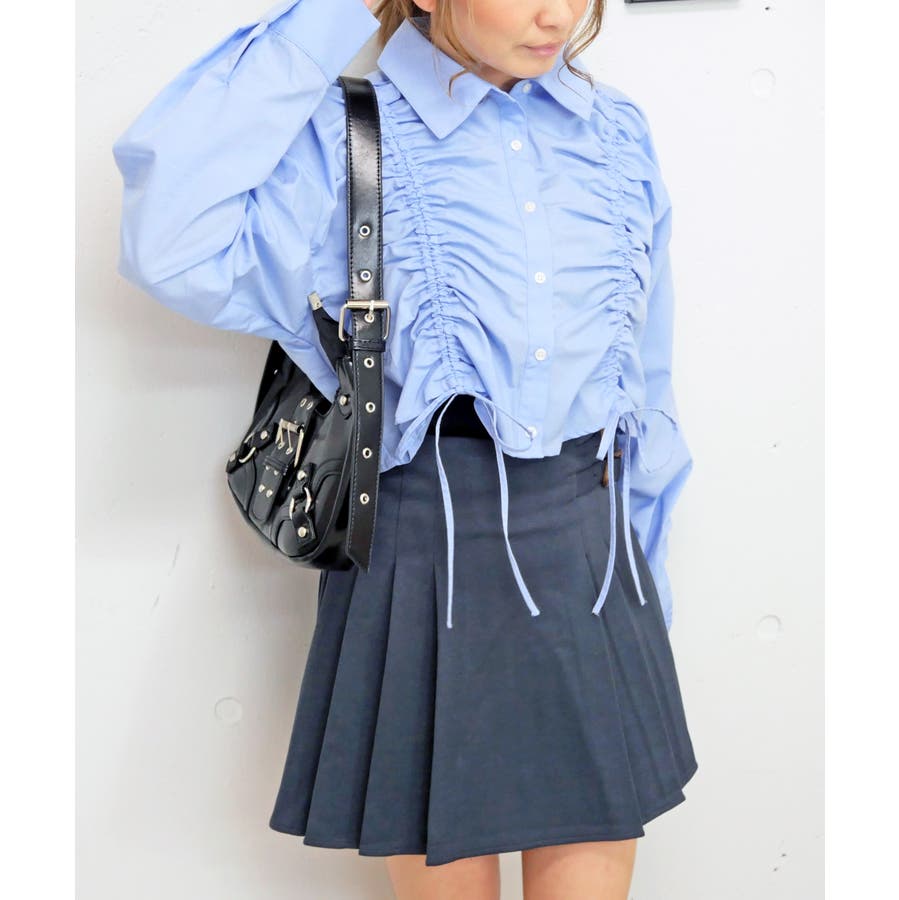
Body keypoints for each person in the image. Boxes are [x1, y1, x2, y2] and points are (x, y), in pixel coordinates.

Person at [112, 1, 699, 897]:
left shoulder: (614, 131)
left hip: (592, 548)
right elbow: (168, 242)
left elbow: (645, 383)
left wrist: (643, 566)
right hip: (422, 546)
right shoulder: (345, 135)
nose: (559, 14)